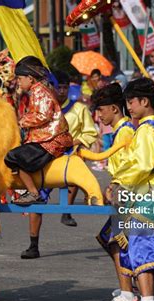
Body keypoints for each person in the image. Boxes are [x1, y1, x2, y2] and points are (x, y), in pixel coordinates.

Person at [108, 78, 154, 301]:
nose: (129, 107)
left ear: (145, 101)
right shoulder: (145, 129)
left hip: (150, 194)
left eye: (131, 101)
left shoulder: (147, 130)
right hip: (147, 192)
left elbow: (141, 165)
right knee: (136, 246)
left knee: (143, 247)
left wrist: (119, 183)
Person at [4, 56, 73, 258]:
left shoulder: (40, 92)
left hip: (51, 140)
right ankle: (33, 243)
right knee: (15, 157)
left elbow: (41, 116)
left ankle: (34, 193)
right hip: (41, 139)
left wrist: (20, 122)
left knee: (15, 157)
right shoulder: (35, 92)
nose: (18, 82)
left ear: (30, 78)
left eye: (20, 78)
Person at [83, 83, 138, 301]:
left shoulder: (125, 131)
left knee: (117, 241)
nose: (99, 115)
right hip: (123, 191)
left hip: (129, 193)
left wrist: (115, 186)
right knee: (108, 238)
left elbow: (129, 165)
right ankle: (129, 288)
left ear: (115, 108)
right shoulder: (120, 130)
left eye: (102, 110)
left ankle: (128, 293)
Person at [54, 70, 98, 227]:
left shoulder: (79, 108)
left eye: (64, 87)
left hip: (72, 153)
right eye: (58, 87)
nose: (61, 91)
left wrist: (76, 142)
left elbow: (91, 132)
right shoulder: (46, 109)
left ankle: (66, 212)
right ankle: (33, 243)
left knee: (75, 177)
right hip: (49, 153)